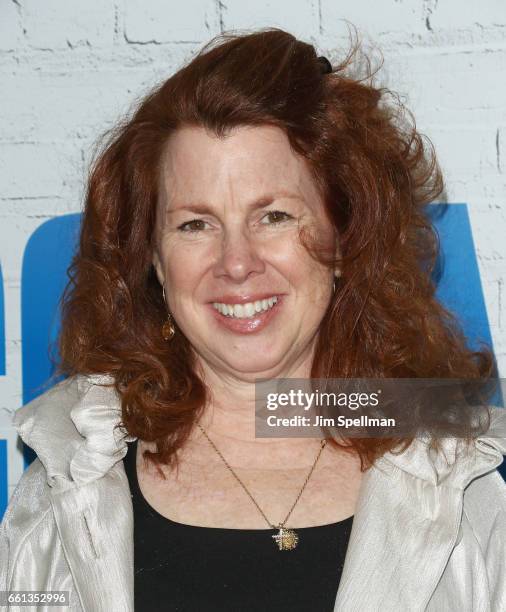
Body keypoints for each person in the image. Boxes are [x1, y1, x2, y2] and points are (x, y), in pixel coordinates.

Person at [1, 27, 506, 612]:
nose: (237, 264)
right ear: (155, 262)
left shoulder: (461, 489)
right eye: (196, 224)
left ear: (344, 238)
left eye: (274, 216)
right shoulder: (64, 490)